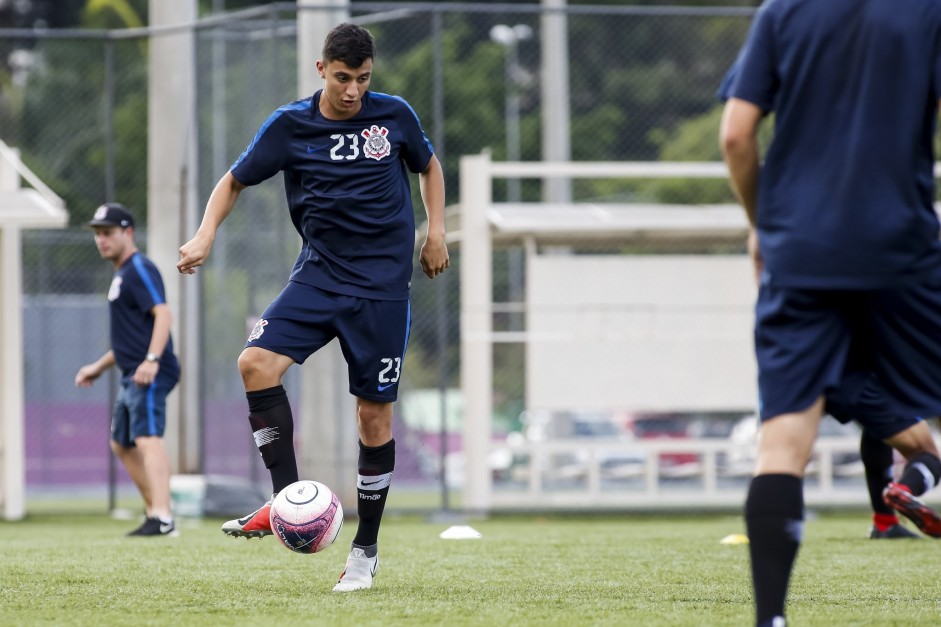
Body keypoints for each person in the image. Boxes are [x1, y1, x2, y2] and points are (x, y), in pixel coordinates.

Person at [177, 23, 448, 592]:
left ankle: (364, 553)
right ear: (321, 69)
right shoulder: (290, 124)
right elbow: (232, 181)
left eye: (364, 79)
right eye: (345, 78)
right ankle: (285, 502)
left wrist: (436, 232)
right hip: (319, 278)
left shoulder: (393, 115)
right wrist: (204, 236)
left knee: (373, 418)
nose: (354, 91)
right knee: (255, 364)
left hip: (380, 290)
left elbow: (429, 166)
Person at [719, 1, 941, 625]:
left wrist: (763, 224)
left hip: (802, 252)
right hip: (902, 247)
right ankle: (921, 486)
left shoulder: (782, 11)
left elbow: (737, 134)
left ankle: (772, 619)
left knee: (783, 445)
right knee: (928, 434)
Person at [75, 203, 181, 537]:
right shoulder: (122, 274)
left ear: (128, 233)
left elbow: (163, 315)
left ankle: (163, 518)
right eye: (97, 234)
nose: (101, 240)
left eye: (107, 233)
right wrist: (97, 367)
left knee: (147, 438)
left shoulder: (139, 268)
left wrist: (151, 361)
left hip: (149, 370)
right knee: (121, 443)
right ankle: (156, 512)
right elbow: (127, 341)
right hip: (131, 371)